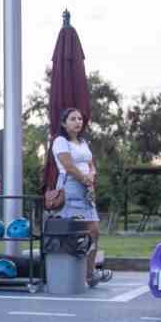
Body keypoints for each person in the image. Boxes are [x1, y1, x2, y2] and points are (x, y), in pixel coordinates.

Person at [50, 107, 112, 285]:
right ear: (63, 123)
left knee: (94, 232)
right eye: (72, 119)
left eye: (79, 118)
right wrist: (85, 180)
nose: (78, 121)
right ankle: (67, 274)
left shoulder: (83, 142)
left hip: (86, 187)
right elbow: (68, 166)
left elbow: (91, 165)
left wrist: (91, 177)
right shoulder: (60, 141)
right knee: (73, 232)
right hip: (71, 186)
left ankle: (89, 274)